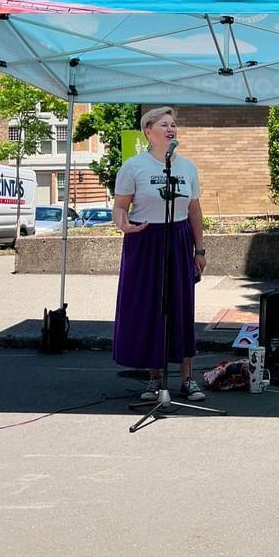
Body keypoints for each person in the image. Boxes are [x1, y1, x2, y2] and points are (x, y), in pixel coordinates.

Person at [112, 106, 207, 400]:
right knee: (152, 308)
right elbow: (119, 207)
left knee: (181, 306)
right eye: (164, 124)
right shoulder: (133, 166)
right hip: (145, 239)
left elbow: (194, 210)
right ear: (148, 132)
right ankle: (155, 379)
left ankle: (187, 378)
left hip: (178, 237)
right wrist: (123, 225)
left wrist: (199, 249)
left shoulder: (187, 167)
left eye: (174, 125)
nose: (171, 129)